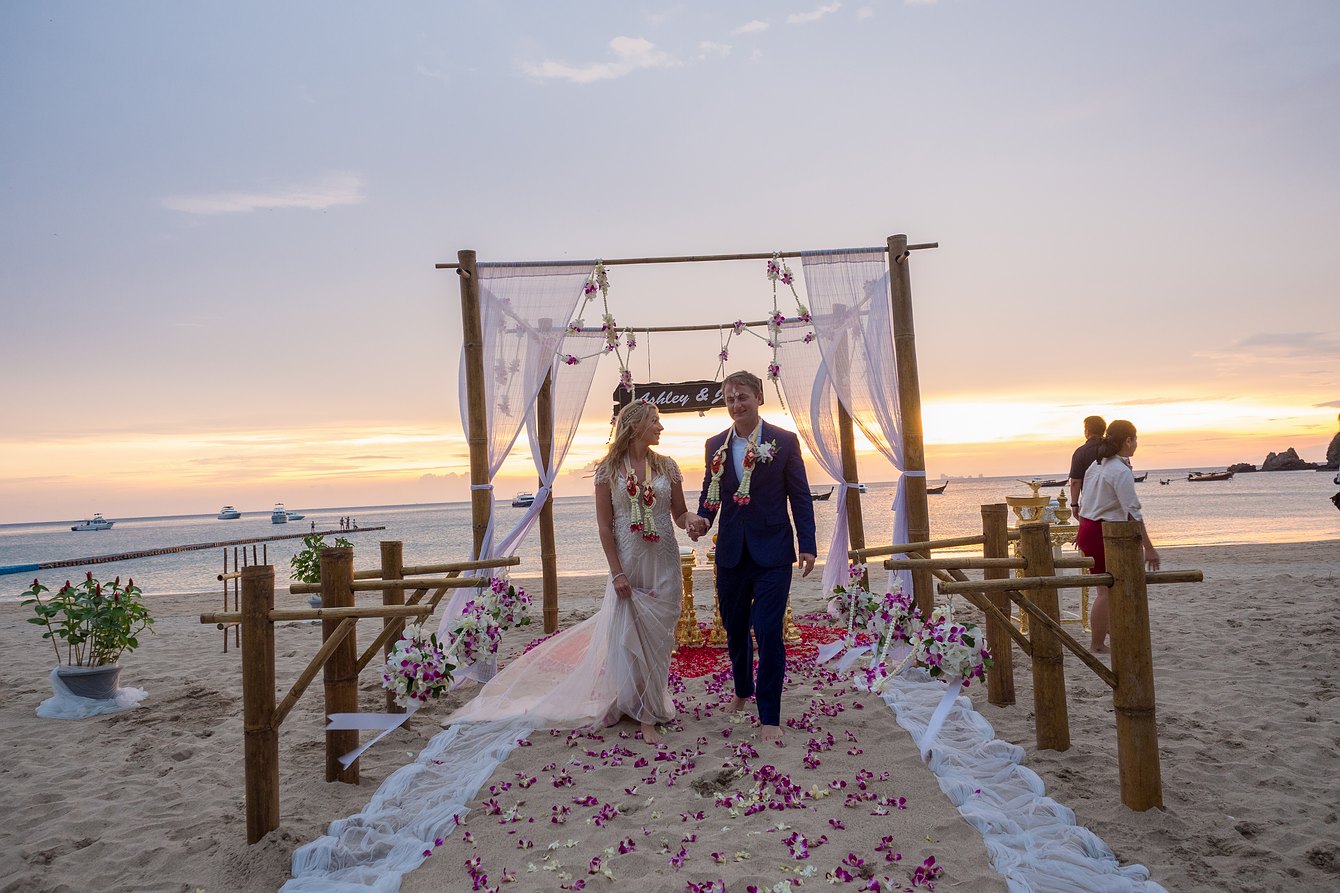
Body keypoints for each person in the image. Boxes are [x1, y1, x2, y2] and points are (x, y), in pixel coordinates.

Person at [445, 400, 690, 744]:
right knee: (625, 637)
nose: (660, 427)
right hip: (629, 564)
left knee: (659, 639)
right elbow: (606, 528)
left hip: (663, 561)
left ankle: (650, 706)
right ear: (635, 426)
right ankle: (633, 708)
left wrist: (692, 521)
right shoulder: (608, 471)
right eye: (655, 421)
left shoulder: (668, 467)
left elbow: (679, 514)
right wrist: (617, 573)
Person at [686, 371, 817, 744]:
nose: (735, 404)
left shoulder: (784, 441)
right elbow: (711, 496)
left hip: (774, 551)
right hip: (730, 552)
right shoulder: (715, 445)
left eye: (742, 397)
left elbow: (800, 496)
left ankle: (770, 715)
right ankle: (743, 690)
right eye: (729, 399)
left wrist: (807, 544)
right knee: (735, 626)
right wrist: (702, 522)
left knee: (769, 629)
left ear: (759, 397)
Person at [1075, 419, 1160, 654]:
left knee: (1107, 589)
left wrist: (1081, 528)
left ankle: (1110, 634)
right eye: (1136, 439)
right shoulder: (1118, 470)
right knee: (1106, 591)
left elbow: (1086, 502)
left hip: (1089, 528)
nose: (1136, 444)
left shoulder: (1097, 464)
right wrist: (1149, 548)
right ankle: (1097, 644)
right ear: (1128, 440)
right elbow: (1133, 512)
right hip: (1102, 533)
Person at [1068, 415, 1106, 518]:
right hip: (1113, 504)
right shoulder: (1114, 450)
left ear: (1087, 431)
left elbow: (1075, 482)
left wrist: (1074, 505)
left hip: (1091, 505)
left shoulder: (1081, 452)